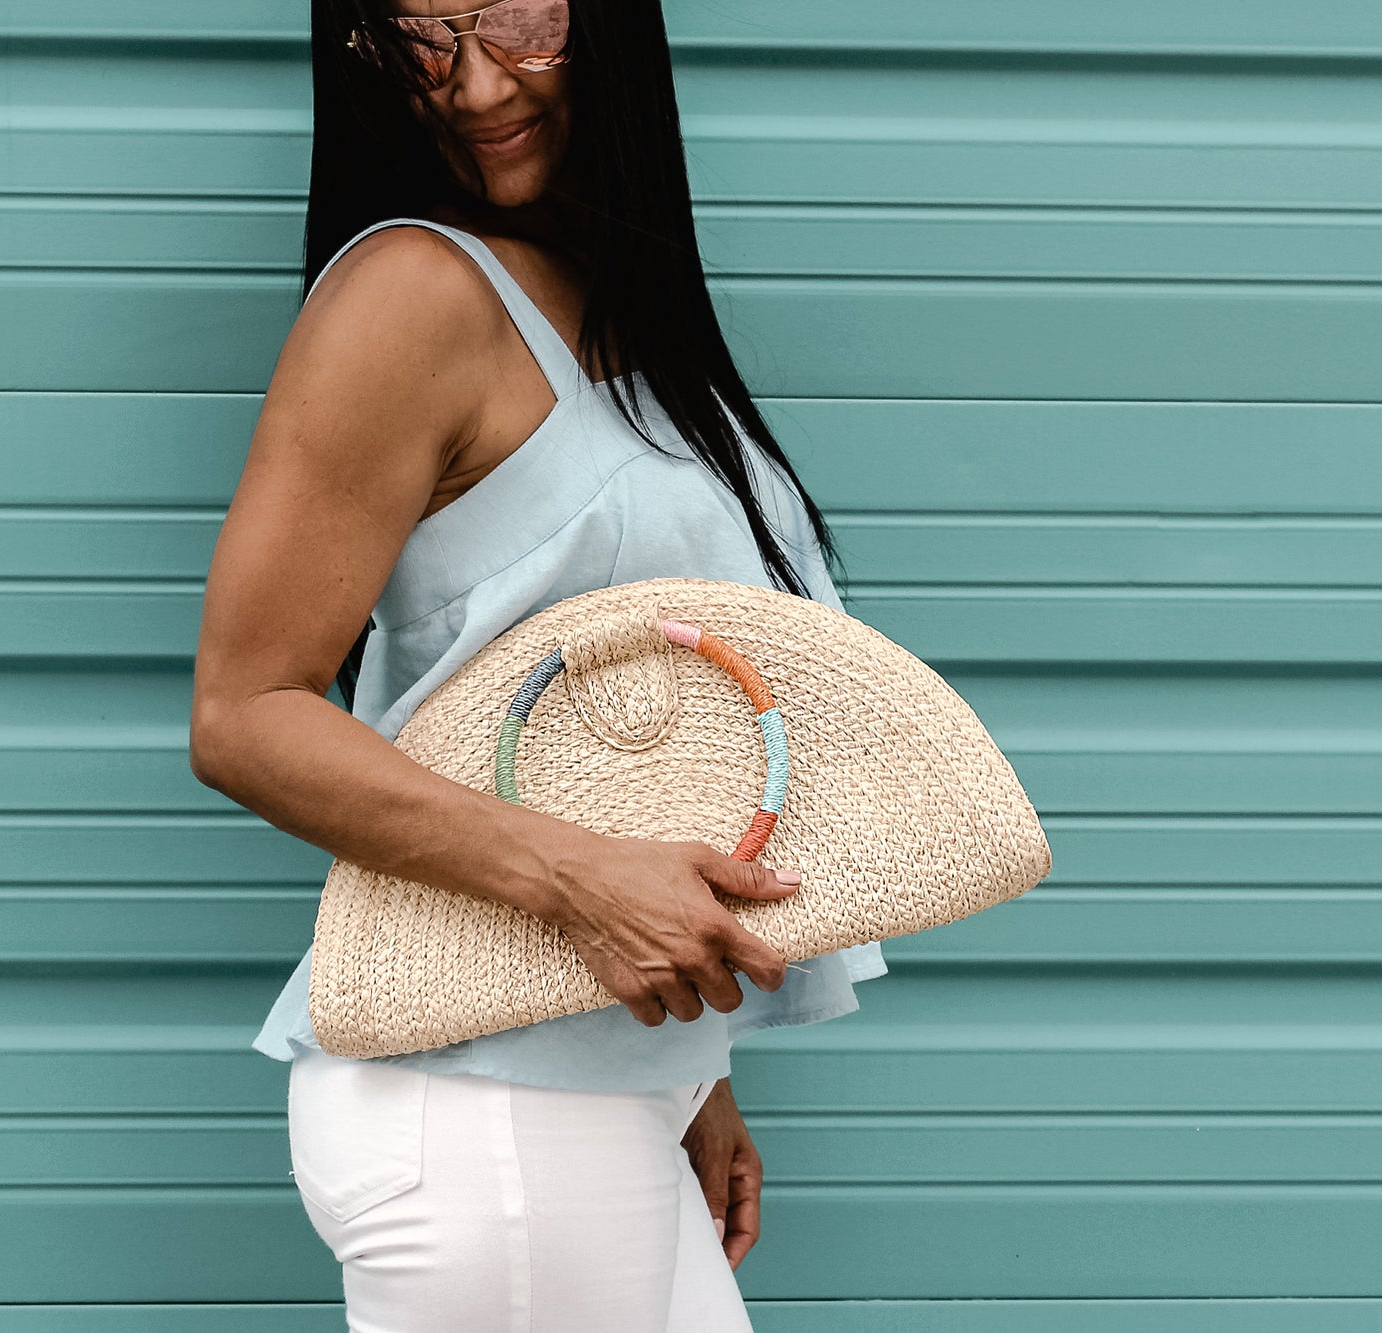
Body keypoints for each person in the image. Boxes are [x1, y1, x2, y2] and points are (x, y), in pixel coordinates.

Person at [188, 0, 887, 1326]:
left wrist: (698, 1062)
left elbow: (630, 719)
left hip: (592, 1092)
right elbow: (244, 712)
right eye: (417, 42)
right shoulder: (415, 293)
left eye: (516, 18)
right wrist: (587, 886)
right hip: (485, 1112)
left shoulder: (618, 305)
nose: (468, 86)